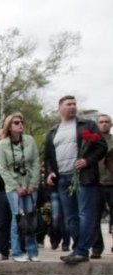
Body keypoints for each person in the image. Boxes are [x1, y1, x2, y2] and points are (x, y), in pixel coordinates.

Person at [44, 96, 107, 265]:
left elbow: (102, 147)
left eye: (74, 104)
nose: (72, 107)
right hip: (62, 178)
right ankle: (79, 249)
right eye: (68, 104)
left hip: (83, 177)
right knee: (70, 217)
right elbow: (48, 157)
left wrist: (87, 160)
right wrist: (50, 173)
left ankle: (80, 250)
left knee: (85, 214)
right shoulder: (52, 132)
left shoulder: (87, 125)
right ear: (60, 108)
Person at [0, 112, 41, 262]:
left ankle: (32, 251)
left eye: (21, 122)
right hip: (13, 186)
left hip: (29, 184)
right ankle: (16, 252)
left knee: (30, 216)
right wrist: (16, 186)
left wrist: (32, 184)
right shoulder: (2, 144)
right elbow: (2, 168)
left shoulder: (30, 140)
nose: (20, 124)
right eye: (16, 122)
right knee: (17, 217)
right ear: (9, 126)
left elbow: (35, 162)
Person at [91, 114, 113, 258]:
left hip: (112, 183)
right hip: (96, 184)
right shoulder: (91, 143)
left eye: (106, 122)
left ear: (111, 125)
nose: (104, 124)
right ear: (97, 125)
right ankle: (97, 248)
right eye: (101, 122)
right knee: (94, 218)